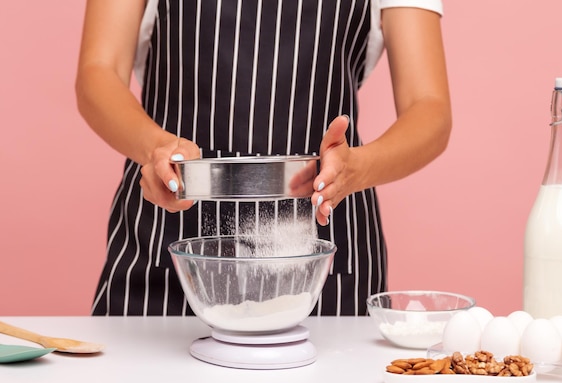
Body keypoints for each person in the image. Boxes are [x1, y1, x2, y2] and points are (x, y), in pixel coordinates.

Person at [75, 0, 451, 316]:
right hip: (164, 250)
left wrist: (356, 169)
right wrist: (156, 148)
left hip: (323, 263)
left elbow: (429, 107)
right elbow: (98, 71)